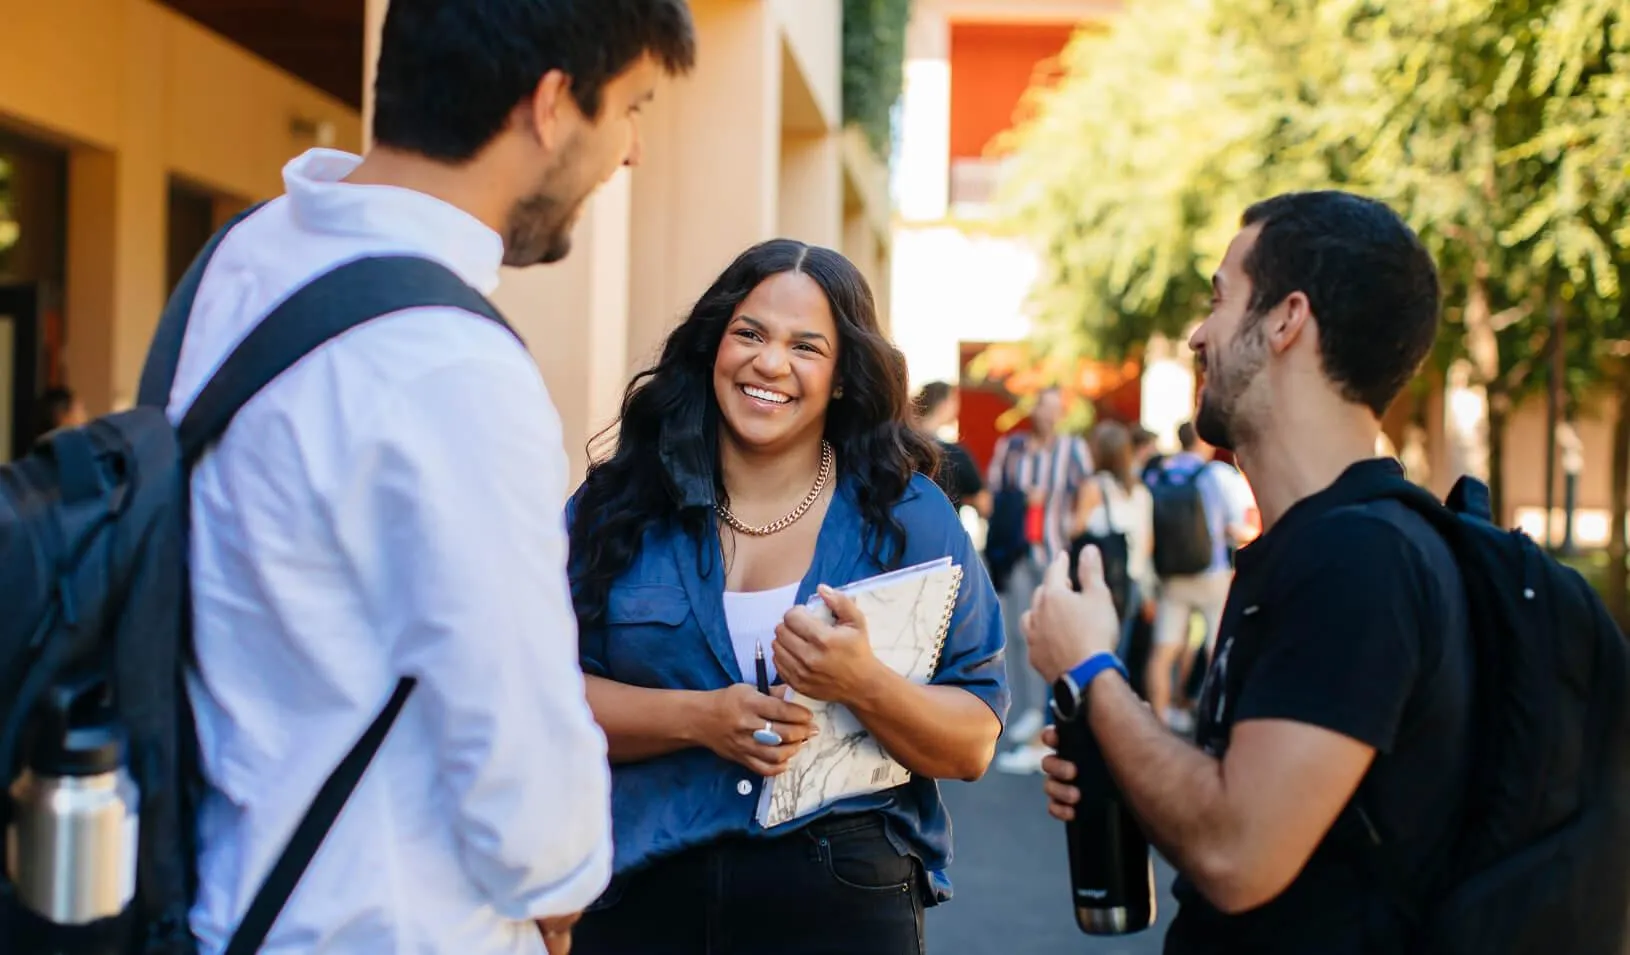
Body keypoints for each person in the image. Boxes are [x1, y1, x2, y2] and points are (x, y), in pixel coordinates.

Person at [158, 4, 697, 954]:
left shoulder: (237, 260)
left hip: (215, 899)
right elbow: (519, 748)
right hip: (381, 924)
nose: (634, 152)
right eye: (632, 108)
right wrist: (564, 884)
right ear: (552, 103)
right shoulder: (450, 363)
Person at [1026, 191, 1470, 954]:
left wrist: (1092, 670)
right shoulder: (1311, 546)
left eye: (1219, 298)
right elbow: (1274, 810)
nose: (1198, 333)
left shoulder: (1360, 557)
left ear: (1285, 319)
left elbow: (1238, 853)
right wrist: (1138, 771)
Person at [565, 239, 1008, 954]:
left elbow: (973, 740)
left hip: (841, 900)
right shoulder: (618, 505)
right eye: (749, 333)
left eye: (806, 346)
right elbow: (539, 695)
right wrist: (701, 718)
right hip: (641, 891)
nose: (770, 363)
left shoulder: (909, 516)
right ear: (714, 346)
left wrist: (862, 682)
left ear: (839, 377)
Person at [986, 387, 1093, 773]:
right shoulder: (1012, 448)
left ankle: (1042, 716)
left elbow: (1089, 488)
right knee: (1016, 631)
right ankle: (1028, 709)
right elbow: (994, 491)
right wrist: (1020, 498)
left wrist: (1072, 527)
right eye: (1042, 408)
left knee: (1048, 630)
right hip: (1016, 551)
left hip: (1053, 551)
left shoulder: (1072, 449)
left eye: (1054, 409)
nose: (1048, 415)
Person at [1143, 420, 1251, 731]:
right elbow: (1237, 527)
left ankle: (1158, 722)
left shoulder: (1157, 473)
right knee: (1217, 648)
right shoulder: (1218, 476)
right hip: (1212, 573)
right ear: (1203, 442)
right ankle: (1213, 719)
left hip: (1171, 575)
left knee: (1163, 651)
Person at [1070, 419, 1155, 660]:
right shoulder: (1139, 491)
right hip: (1130, 583)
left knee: (1086, 654)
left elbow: (1076, 529)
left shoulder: (1094, 487)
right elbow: (1147, 543)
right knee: (1116, 653)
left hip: (1097, 581)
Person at [913, 380, 990, 515]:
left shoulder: (900, 446)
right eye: (954, 401)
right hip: (944, 532)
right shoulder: (955, 454)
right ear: (944, 404)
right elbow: (984, 505)